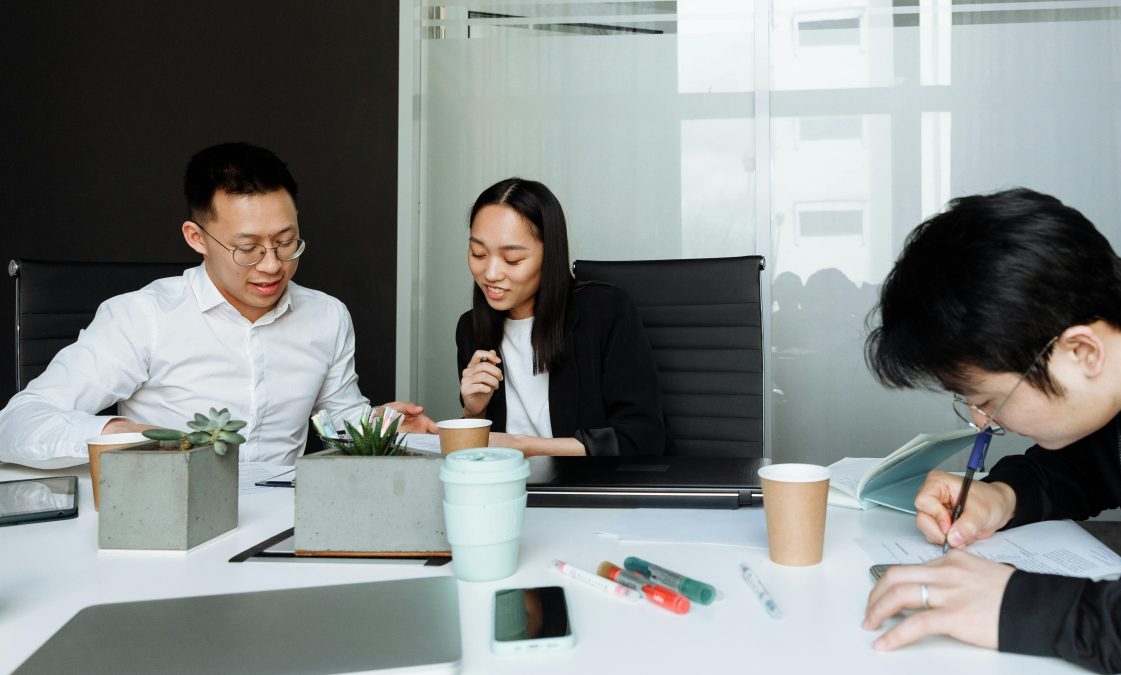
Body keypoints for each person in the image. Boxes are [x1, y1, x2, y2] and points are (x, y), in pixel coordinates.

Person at [860, 187, 1121, 673]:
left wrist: (1016, 605)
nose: (982, 422)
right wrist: (1002, 496)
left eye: (989, 401)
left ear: (1082, 352)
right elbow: (1099, 459)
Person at [0, 142, 435, 468]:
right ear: (196, 238)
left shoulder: (326, 315)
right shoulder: (142, 317)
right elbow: (17, 424)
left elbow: (340, 420)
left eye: (286, 243)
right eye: (247, 248)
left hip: (287, 522)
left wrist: (381, 427)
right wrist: (122, 435)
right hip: (172, 525)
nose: (272, 265)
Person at [455, 177, 665, 457]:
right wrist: (473, 412)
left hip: (590, 491)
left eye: (512, 260)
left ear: (549, 254)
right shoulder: (472, 329)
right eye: (478, 253)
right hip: (506, 489)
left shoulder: (604, 312)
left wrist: (524, 447)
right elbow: (482, 451)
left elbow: (642, 438)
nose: (491, 274)